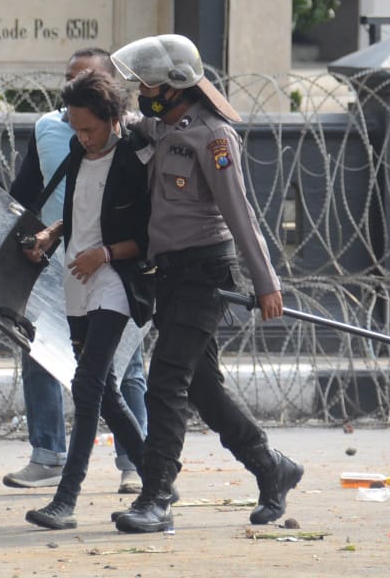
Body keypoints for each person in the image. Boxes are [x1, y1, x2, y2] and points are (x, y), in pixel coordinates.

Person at [109, 34, 303, 534]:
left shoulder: (213, 137)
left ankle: (155, 498)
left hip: (206, 274)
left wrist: (266, 283)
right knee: (202, 386)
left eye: (149, 84)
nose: (142, 92)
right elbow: (135, 126)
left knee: (166, 379)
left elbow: (240, 214)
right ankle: (272, 468)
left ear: (176, 87)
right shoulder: (162, 126)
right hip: (170, 275)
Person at [4, 48, 147, 494]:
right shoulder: (59, 135)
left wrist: (105, 254)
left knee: (108, 376)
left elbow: (146, 226)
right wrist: (43, 238)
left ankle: (118, 472)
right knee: (56, 364)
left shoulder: (135, 146)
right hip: (63, 266)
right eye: (69, 79)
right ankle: (52, 455)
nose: (81, 132)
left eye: (85, 79)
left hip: (115, 273)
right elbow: (43, 195)